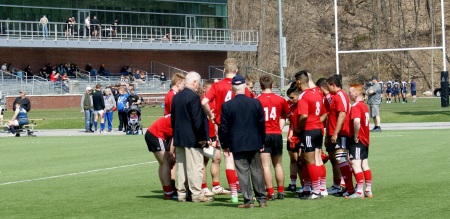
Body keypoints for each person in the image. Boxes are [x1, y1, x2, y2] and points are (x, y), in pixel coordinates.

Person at [201, 58, 250, 203]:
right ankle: (244, 190)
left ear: (223, 70)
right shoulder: (242, 86)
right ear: (236, 71)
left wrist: (210, 115)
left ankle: (234, 194)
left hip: (224, 126)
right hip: (240, 126)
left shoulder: (217, 86)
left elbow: (204, 101)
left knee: (228, 159)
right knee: (242, 159)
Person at [219, 74, 267, 208]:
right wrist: (262, 140)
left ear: (232, 88)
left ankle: (248, 200)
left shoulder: (227, 106)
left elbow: (224, 127)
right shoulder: (255, 102)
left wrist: (225, 144)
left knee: (242, 172)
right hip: (254, 141)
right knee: (257, 171)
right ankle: (262, 199)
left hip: (237, 143)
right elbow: (261, 124)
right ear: (245, 86)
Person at [171, 71, 212, 203]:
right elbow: (197, 120)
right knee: (195, 166)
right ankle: (196, 193)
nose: (198, 86)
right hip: (192, 138)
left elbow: (173, 119)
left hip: (179, 137)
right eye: (198, 83)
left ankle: (182, 193)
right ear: (194, 82)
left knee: (182, 167)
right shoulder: (193, 97)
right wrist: (202, 138)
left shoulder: (176, 97)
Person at [256, 75, 290, 200]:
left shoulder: (257, 100)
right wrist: (279, 128)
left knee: (265, 166)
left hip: (263, 135)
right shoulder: (281, 100)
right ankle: (280, 191)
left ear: (260, 86)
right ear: (273, 85)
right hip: (276, 134)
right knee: (278, 165)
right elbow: (285, 116)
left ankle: (270, 193)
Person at [294, 70, 325, 199]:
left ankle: (316, 191)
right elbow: (324, 113)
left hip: (309, 130)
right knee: (316, 160)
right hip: (318, 129)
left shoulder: (304, 96)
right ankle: (318, 188)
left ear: (299, 81)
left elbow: (304, 115)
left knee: (309, 161)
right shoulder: (317, 93)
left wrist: (299, 128)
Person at [200, 80, 230, 197]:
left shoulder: (217, 101)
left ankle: (216, 186)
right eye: (211, 89)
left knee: (217, 158)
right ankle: (203, 187)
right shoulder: (201, 102)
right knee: (204, 161)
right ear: (204, 89)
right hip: (204, 137)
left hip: (214, 136)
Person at [326, 75, 354, 197]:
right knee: (341, 160)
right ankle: (348, 187)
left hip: (342, 133)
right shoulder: (337, 96)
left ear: (333, 85)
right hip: (338, 133)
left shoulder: (340, 96)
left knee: (342, 159)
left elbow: (342, 115)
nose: (328, 89)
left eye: (328, 86)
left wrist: (336, 133)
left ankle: (349, 188)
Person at [347, 84, 373, 199]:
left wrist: (356, 136)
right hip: (366, 139)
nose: (349, 94)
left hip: (358, 139)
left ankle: (359, 192)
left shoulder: (356, 106)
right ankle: (368, 190)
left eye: (350, 92)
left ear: (356, 94)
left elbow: (356, 122)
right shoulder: (365, 106)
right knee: (365, 165)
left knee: (355, 164)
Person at [145, 114, 177, 199]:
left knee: (162, 163)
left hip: (152, 133)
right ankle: (169, 192)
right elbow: (174, 138)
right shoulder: (180, 118)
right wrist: (170, 153)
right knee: (166, 162)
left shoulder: (177, 115)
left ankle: (167, 190)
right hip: (156, 135)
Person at [285, 82, 302, 193]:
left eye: (292, 97)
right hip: (292, 136)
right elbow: (288, 119)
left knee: (300, 160)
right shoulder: (289, 105)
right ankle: (293, 183)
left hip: (302, 136)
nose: (290, 99)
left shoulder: (302, 104)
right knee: (293, 159)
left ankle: (306, 184)